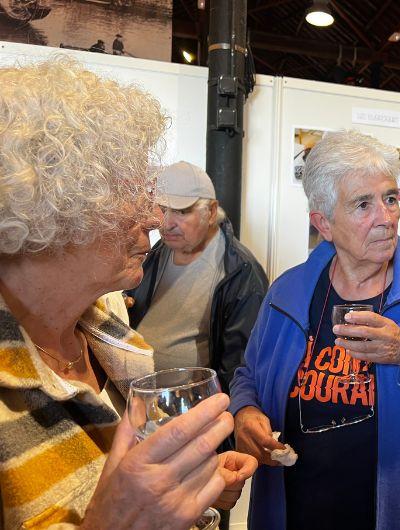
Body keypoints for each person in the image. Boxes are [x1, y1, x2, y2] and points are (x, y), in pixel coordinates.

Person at [0, 57, 258, 529]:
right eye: (124, 190)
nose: (156, 220)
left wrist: (192, 495)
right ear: (48, 210)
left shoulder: (108, 334)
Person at [230, 130, 400, 530]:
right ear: (323, 223)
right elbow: (248, 376)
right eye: (363, 204)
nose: (387, 217)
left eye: (390, 199)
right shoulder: (288, 291)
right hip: (292, 514)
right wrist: (245, 412)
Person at [127, 161, 268, 394]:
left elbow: (239, 368)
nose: (166, 223)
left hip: (190, 410)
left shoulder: (241, 272)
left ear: (211, 212)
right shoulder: (157, 253)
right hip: (136, 397)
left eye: (182, 212)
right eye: (163, 209)